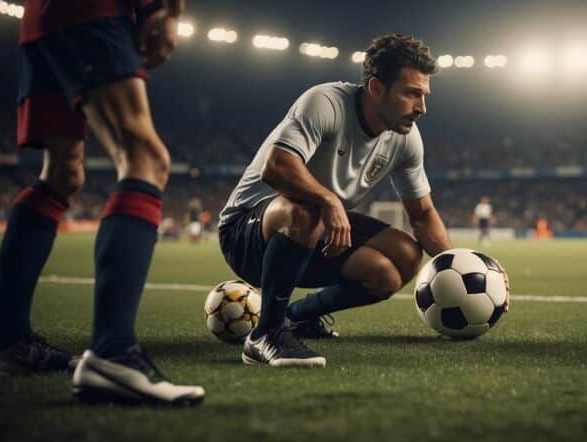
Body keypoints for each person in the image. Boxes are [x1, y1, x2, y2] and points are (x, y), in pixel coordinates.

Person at [218, 33, 510, 368]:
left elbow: (422, 214)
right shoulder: (324, 103)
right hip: (248, 232)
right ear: (375, 88)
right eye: (411, 93)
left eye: (424, 95)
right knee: (307, 210)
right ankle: (265, 336)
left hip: (318, 231)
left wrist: (465, 267)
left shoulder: (406, 138)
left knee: (402, 258)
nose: (422, 107)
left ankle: (296, 318)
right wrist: (328, 201)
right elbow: (277, 167)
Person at [0, 0, 204, 405]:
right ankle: (112, 355)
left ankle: (5, 342)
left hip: (42, 16)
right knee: (145, 158)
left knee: (63, 173)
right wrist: (167, 9)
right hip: (90, 10)